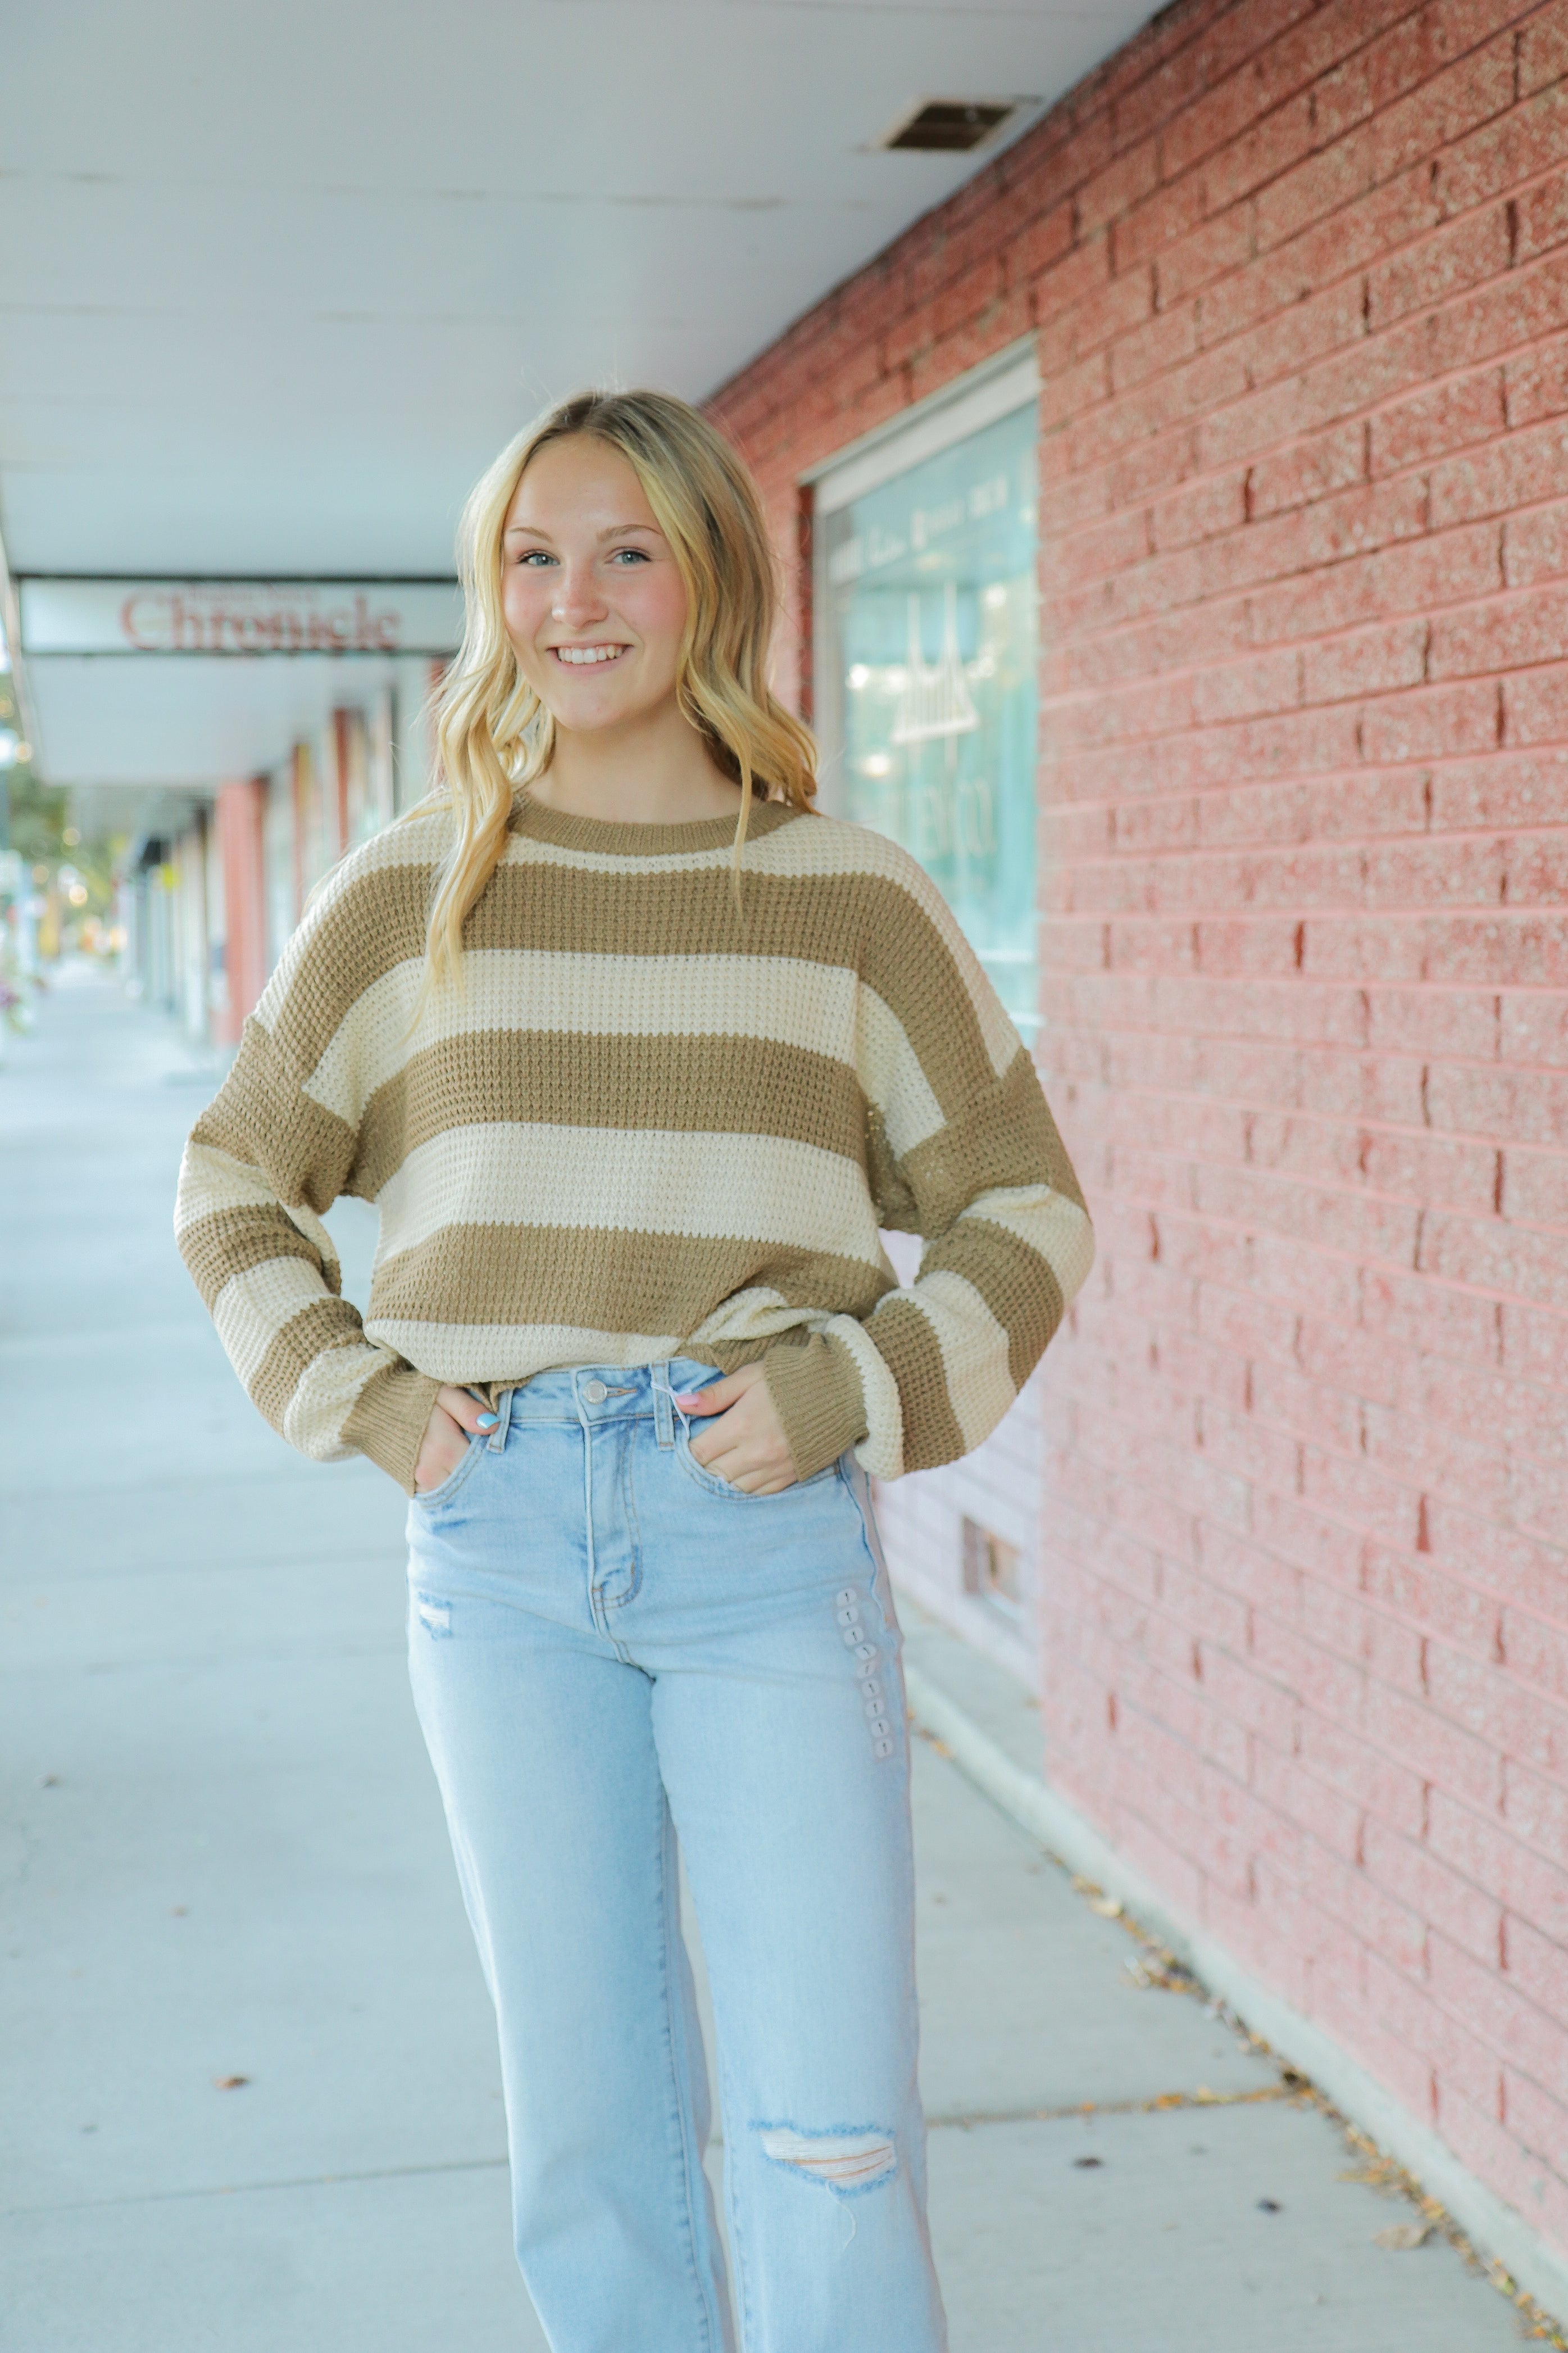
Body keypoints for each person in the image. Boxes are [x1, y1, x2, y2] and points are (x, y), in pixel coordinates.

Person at [175, 388, 1094, 2353]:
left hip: (760, 1540)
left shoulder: (845, 897)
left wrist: (857, 1383)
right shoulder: (412, 891)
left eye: (625, 550)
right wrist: (363, 1394)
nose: (571, 599)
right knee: (590, 2140)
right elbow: (232, 1181)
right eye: (532, 554)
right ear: (490, 591)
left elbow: (1025, 1203)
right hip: (497, 1550)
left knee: (826, 2128)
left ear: (712, 580)